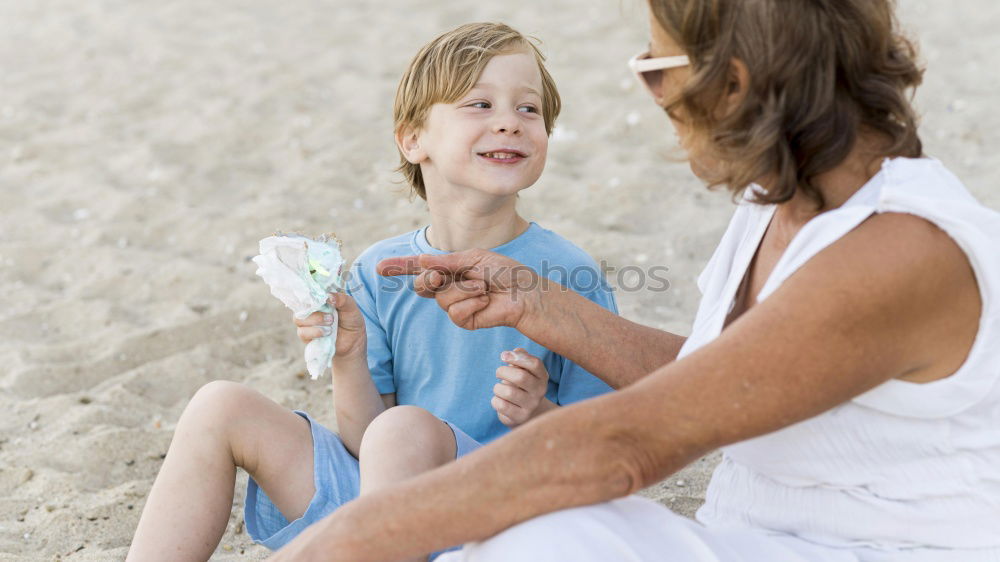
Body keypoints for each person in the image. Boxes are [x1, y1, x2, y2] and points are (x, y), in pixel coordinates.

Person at [264, 1, 1000, 561]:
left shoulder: (897, 249)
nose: (653, 98)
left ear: (732, 86)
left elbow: (627, 444)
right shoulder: (782, 202)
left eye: (655, 70)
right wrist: (539, 302)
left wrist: (350, 536)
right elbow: (736, 378)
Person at [126, 22, 618, 562]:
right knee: (220, 406)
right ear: (413, 140)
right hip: (382, 507)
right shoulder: (382, 269)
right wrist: (348, 358)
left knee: (405, 428)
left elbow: (613, 450)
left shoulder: (568, 274)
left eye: (529, 110)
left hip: (500, 518)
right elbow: (367, 443)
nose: (510, 123)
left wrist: (538, 413)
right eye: (480, 104)